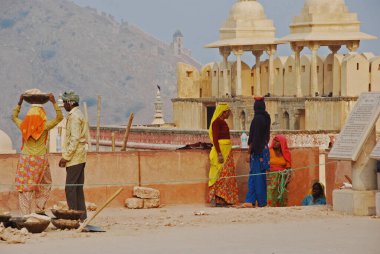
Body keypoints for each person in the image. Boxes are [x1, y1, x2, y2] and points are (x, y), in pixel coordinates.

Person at [12, 90, 63, 215]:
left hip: (25, 159)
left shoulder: (24, 125)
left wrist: (20, 102)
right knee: (45, 183)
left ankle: (26, 214)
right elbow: (59, 118)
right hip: (40, 159)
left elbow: (14, 117)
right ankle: (39, 208)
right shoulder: (44, 126)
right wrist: (54, 102)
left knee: (26, 187)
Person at [58, 91, 88, 220]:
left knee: (70, 188)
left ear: (70, 102)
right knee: (77, 188)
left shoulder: (74, 116)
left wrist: (66, 157)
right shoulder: (78, 114)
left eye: (65, 102)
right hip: (80, 157)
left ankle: (74, 217)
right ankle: (82, 217)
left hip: (75, 158)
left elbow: (74, 139)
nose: (64, 105)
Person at [238, 97, 271, 208]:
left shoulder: (257, 119)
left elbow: (254, 138)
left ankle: (262, 202)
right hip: (264, 149)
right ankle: (250, 200)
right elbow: (266, 136)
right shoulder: (267, 118)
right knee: (253, 176)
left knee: (257, 177)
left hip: (258, 151)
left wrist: (249, 152)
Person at [208, 103, 239, 207]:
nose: (229, 113)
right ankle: (216, 199)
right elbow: (215, 139)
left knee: (227, 175)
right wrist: (219, 153)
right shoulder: (216, 123)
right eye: (228, 111)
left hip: (227, 150)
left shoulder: (223, 122)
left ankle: (224, 199)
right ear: (223, 112)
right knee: (219, 174)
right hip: (221, 151)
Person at [267, 134, 292, 207]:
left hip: (283, 176)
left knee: (282, 191)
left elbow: (288, 167)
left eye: (277, 141)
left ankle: (282, 207)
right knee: (272, 190)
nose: (274, 142)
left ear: (282, 143)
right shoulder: (269, 151)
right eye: (274, 140)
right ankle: (271, 206)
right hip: (271, 175)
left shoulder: (286, 153)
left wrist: (288, 176)